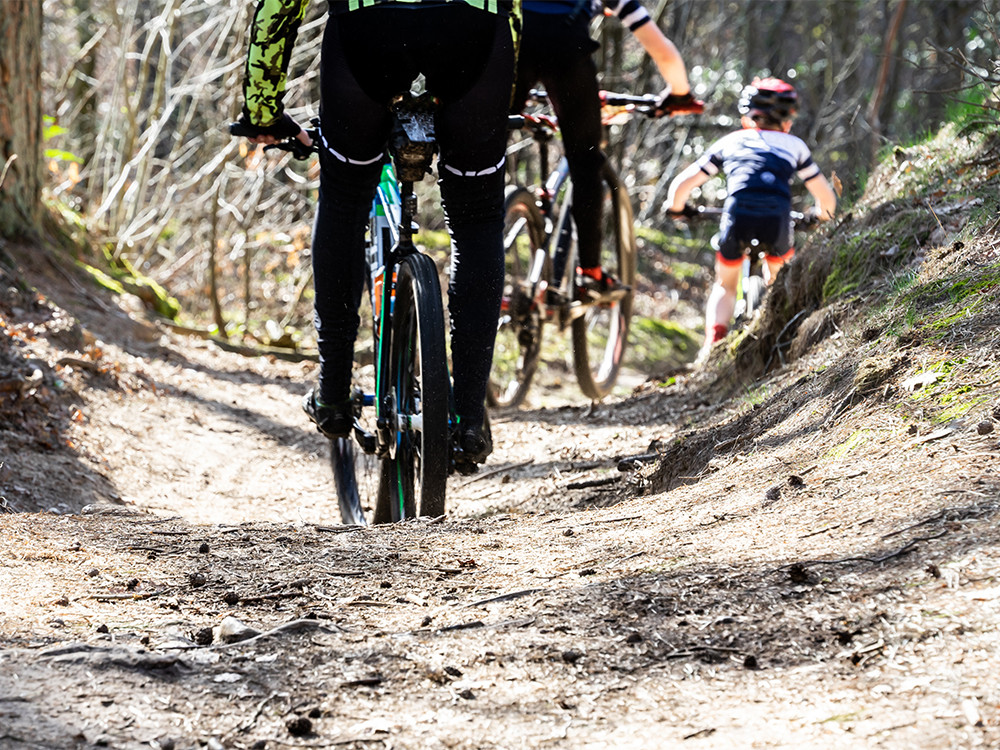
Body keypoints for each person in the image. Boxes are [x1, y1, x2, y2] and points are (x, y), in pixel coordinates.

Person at [232, 0, 520, 472]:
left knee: (345, 200)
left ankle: (333, 393)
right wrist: (500, 96)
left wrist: (262, 109)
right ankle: (468, 419)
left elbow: (279, 9)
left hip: (367, 31)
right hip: (475, 30)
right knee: (478, 221)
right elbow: (514, 10)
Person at [514, 0, 702, 299]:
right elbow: (660, 48)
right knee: (585, 162)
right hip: (568, 54)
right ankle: (589, 271)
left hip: (509, 45)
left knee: (486, 145)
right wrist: (679, 94)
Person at [665, 77, 837, 360]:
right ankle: (780, 339)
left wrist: (677, 207)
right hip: (777, 219)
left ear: (747, 116)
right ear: (788, 119)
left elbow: (684, 183)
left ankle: (711, 346)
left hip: (737, 215)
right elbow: (826, 198)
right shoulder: (794, 146)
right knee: (778, 279)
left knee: (725, 283)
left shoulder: (732, 141)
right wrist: (820, 217)